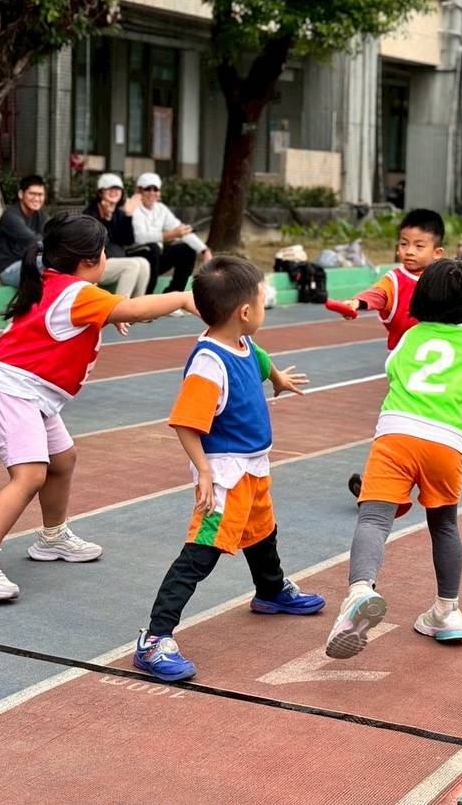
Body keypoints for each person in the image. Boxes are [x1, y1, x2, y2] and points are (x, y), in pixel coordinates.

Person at [0, 214, 197, 600]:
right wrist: (182, 297)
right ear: (90, 260)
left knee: (62, 460)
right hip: (13, 392)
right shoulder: (78, 293)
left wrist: (104, 317)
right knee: (29, 475)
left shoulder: (54, 282)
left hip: (26, 392)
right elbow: (135, 309)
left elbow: (82, 315)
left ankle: (51, 537)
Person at [134, 256, 324, 682]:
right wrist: (202, 472)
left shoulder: (242, 343)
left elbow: (260, 359)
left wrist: (277, 379)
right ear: (244, 312)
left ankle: (271, 591)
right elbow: (185, 422)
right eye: (262, 300)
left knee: (262, 531)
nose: (264, 307)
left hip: (254, 466)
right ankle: (155, 638)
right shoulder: (209, 364)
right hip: (223, 474)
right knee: (200, 555)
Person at [324, 261, 462, 659]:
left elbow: (394, 373)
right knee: (444, 525)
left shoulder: (410, 337)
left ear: (422, 296)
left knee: (374, 519)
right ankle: (447, 611)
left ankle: (361, 590)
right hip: (446, 443)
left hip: (397, 434)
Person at [329, 208, 462, 497]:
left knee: (411, 426)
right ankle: (377, 482)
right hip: (408, 368)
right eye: (403, 244)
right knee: (397, 428)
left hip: (446, 365)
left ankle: (395, 480)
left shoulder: (445, 277)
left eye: (418, 245)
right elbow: (377, 295)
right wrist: (357, 303)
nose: (409, 252)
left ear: (438, 251)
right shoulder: (394, 280)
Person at [128, 172, 212, 295]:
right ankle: (146, 298)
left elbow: (181, 229)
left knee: (187, 250)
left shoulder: (161, 209)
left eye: (155, 189)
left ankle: (172, 295)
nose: (152, 193)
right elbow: (139, 237)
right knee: (153, 248)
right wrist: (168, 235)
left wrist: (204, 250)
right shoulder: (132, 207)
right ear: (139, 191)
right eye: (147, 189)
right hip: (135, 254)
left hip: (155, 255)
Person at [83, 173, 151, 297]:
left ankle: (138, 308)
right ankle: (121, 310)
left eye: (117, 188)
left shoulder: (118, 213)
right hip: (95, 266)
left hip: (115, 262)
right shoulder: (91, 213)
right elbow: (98, 241)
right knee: (132, 265)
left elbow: (128, 240)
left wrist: (128, 216)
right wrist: (106, 219)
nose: (114, 191)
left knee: (144, 263)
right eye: (110, 188)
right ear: (100, 193)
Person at [0, 175, 48, 287]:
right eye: (32, 194)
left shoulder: (41, 216)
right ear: (21, 194)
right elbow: (35, 241)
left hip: (29, 263)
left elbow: (55, 234)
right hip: (8, 270)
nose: (37, 199)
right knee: (48, 261)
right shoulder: (11, 217)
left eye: (40, 195)